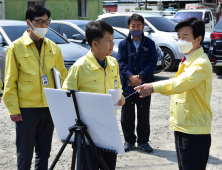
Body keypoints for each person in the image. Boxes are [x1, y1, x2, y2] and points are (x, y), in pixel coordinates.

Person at [135, 17, 212, 170]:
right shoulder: (187, 60)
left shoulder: (200, 63)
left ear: (198, 39)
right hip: (184, 126)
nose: (180, 40)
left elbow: (179, 84)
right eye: (179, 36)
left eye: (185, 37)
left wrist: (153, 87)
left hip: (194, 130)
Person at [3, 5, 67, 170]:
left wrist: (61, 103)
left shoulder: (54, 48)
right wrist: (13, 108)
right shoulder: (16, 48)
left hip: (48, 107)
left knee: (44, 152)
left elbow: (63, 76)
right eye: (39, 22)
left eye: (47, 22)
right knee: (25, 154)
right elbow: (10, 80)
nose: (44, 26)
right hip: (26, 109)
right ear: (29, 23)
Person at [62, 20, 125, 170]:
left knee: (108, 165)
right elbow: (66, 95)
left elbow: (118, 87)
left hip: (109, 126)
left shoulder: (113, 63)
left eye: (113, 39)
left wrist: (120, 97)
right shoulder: (80, 66)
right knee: (88, 165)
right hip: (87, 131)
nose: (113, 44)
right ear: (95, 44)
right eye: (108, 40)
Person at [117, 14, 157, 152]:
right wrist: (130, 77)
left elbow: (152, 63)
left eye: (138, 25)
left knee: (143, 115)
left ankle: (143, 141)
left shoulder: (150, 44)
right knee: (127, 115)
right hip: (127, 86)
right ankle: (129, 141)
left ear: (143, 26)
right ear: (128, 27)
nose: (135, 28)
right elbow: (120, 62)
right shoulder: (123, 44)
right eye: (133, 25)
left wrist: (140, 76)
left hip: (144, 86)